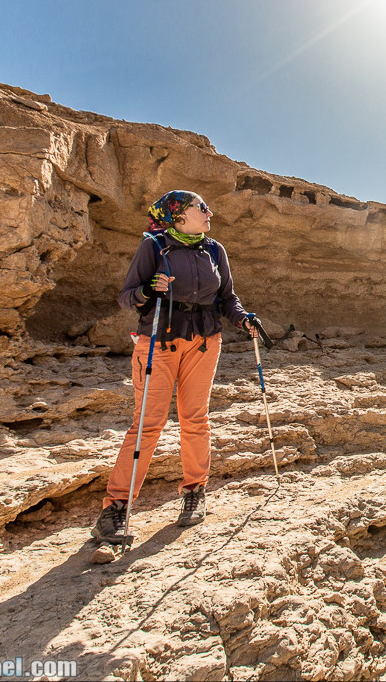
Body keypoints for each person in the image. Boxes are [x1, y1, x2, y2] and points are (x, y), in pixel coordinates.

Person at [91, 190, 261, 544]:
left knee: (195, 419)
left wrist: (243, 320)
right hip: (157, 343)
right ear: (179, 215)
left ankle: (194, 492)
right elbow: (127, 296)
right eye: (201, 207)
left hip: (204, 342)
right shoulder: (154, 246)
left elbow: (227, 297)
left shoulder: (214, 250)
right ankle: (116, 508)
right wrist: (150, 291)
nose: (208, 211)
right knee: (147, 425)